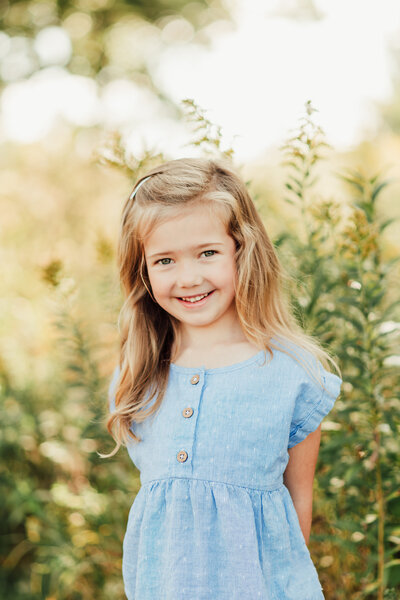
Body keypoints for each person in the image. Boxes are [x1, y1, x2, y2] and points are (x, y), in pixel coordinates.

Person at [102, 157, 343, 599]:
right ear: (143, 270)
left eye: (207, 253)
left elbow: (298, 510)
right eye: (165, 260)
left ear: (242, 249)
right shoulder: (138, 374)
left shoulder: (293, 374)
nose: (188, 277)